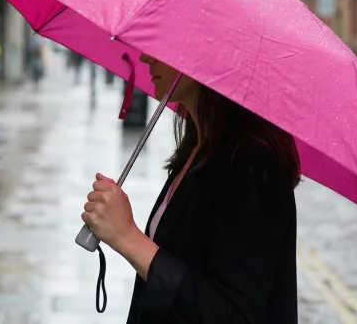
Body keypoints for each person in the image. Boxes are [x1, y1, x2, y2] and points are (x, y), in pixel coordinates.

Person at [82, 53, 300, 323]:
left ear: (209, 55)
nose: (146, 57)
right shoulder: (199, 146)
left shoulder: (253, 168)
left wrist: (128, 237)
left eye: (162, 47)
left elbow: (232, 314)